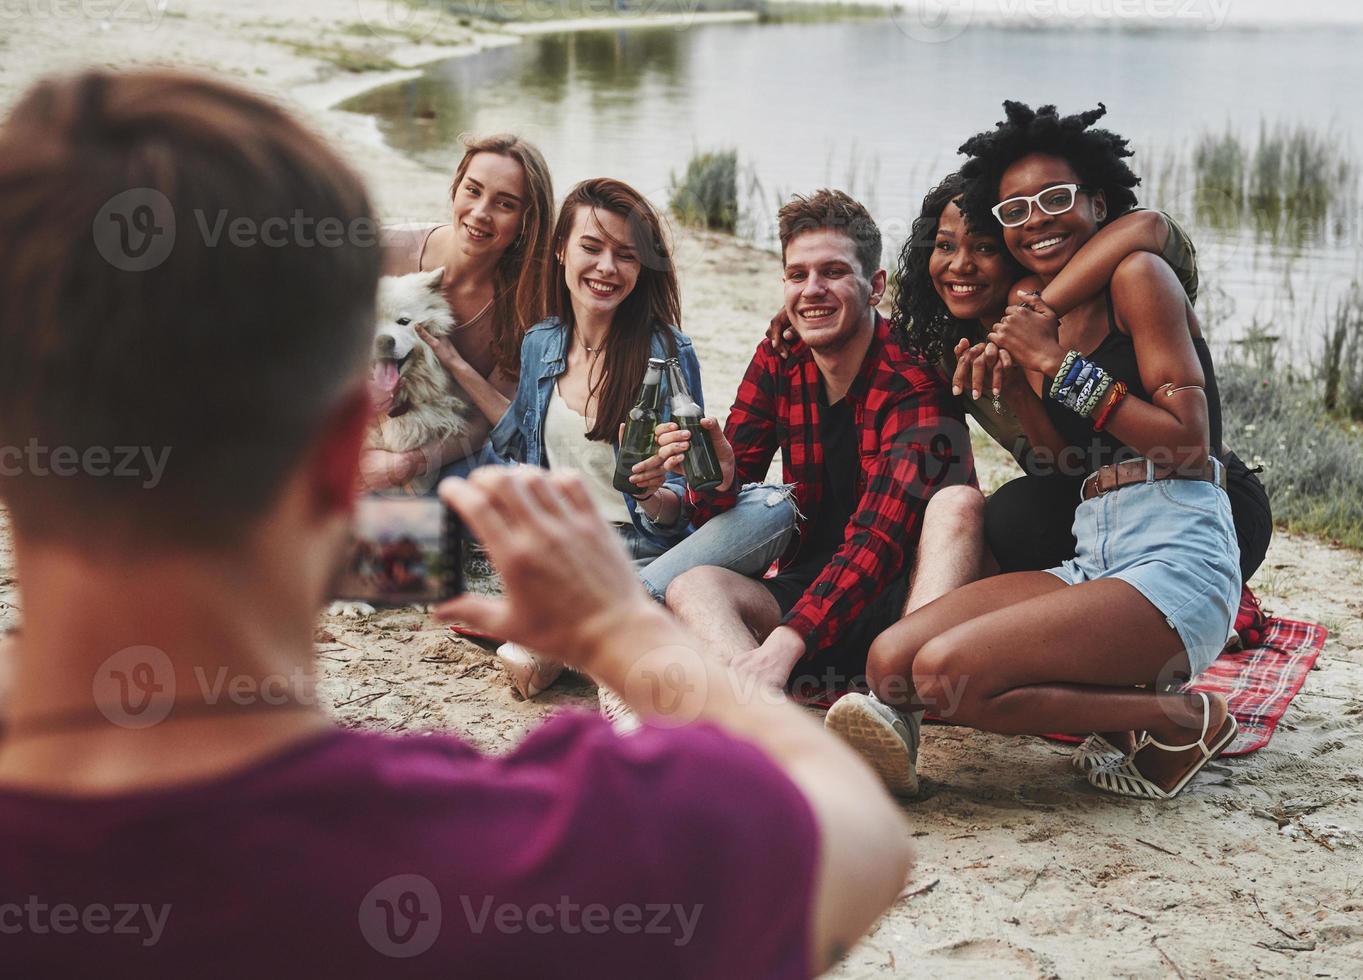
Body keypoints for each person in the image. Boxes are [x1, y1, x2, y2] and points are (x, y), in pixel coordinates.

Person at [0, 69, 910, 978]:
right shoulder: (484, 858)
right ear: (343, 449)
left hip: (631, 533)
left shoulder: (656, 352)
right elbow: (856, 831)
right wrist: (617, 632)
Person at [823, 102, 1243, 801]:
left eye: (1055, 199)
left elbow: (1188, 444)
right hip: (1095, 546)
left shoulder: (1138, 277)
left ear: (1095, 202)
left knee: (944, 676)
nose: (1037, 220)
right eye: (1015, 211)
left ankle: (1186, 717)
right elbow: (1066, 468)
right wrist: (1022, 387)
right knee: (892, 663)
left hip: (1175, 551)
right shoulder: (1027, 305)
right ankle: (1127, 703)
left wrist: (1059, 366)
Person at [484, 178, 797, 721]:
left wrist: (655, 494)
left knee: (774, 506)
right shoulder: (540, 343)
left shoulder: (668, 353)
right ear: (561, 249)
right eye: (591, 247)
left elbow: (682, 502)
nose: (607, 267)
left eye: (625, 255)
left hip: (649, 552)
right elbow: (517, 456)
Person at [655, 190, 974, 695]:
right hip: (808, 595)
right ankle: (766, 712)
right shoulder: (781, 357)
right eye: (797, 275)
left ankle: (892, 706)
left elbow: (878, 543)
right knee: (692, 587)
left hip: (902, 604)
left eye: (833, 272)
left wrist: (787, 639)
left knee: (961, 503)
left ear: (875, 285)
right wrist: (716, 476)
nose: (812, 290)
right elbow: (720, 511)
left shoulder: (913, 385)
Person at [361, 134, 555, 490]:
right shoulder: (386, 249)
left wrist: (404, 465)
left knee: (439, 513)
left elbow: (485, 420)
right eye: (473, 190)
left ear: (527, 220)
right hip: (359, 425)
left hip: (453, 446)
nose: (481, 213)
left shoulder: (528, 304)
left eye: (505, 204)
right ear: (456, 187)